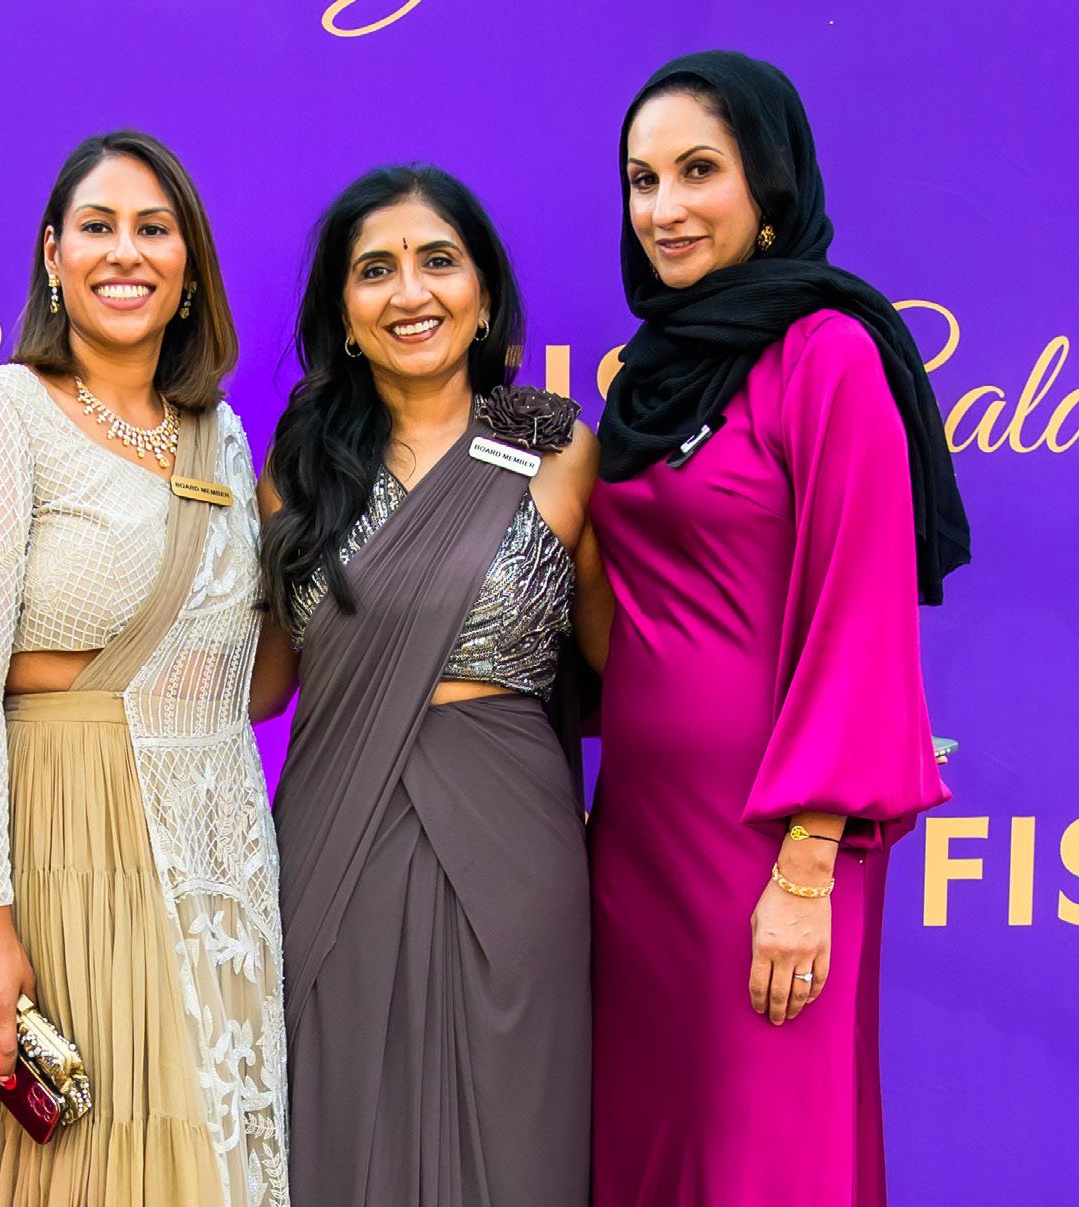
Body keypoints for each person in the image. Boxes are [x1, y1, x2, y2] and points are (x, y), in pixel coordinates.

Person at [587, 49, 971, 1205]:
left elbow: (860, 616)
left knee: (764, 1153)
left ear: (768, 184)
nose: (662, 208)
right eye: (641, 180)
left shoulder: (827, 353)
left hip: (773, 842)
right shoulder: (647, 375)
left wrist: (806, 868)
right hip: (638, 837)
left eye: (696, 170)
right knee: (650, 1142)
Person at [0, 129, 289, 1205]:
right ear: (53, 255)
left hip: (216, 844)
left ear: (189, 267)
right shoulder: (0, 412)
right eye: (97, 227)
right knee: (94, 1152)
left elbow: (246, 669)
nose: (124, 252)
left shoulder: (221, 435)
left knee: (210, 1148)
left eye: (153, 229)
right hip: (69, 832)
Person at [256, 164, 603, 1207]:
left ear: (483, 295)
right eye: (375, 270)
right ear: (343, 314)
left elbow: (628, 665)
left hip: (514, 846)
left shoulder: (559, 450)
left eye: (437, 261)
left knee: (517, 1133)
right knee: (340, 1121)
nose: (409, 292)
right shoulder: (296, 473)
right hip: (338, 835)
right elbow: (256, 683)